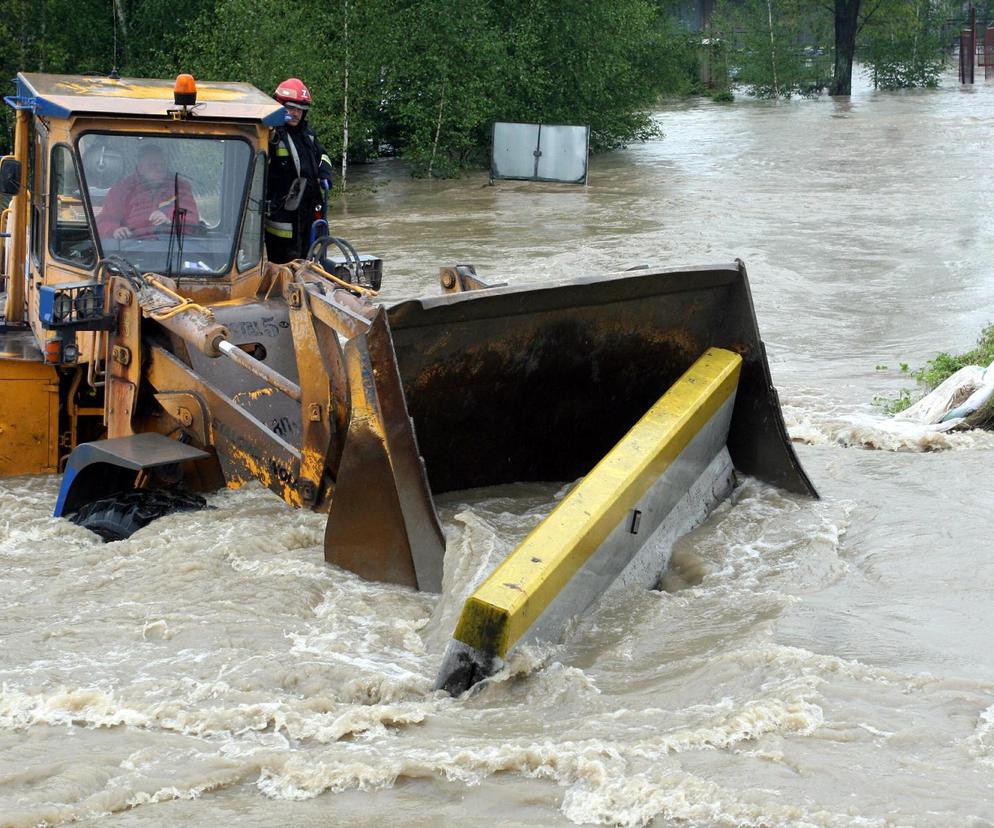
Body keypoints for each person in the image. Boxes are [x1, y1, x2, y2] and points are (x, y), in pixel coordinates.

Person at [266, 78, 334, 263]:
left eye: (300, 109)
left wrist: (324, 174)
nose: (295, 113)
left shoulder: (308, 135)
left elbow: (323, 157)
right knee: (284, 266)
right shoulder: (272, 135)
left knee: (309, 261)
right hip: (284, 217)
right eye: (290, 108)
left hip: (309, 213)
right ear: (279, 106)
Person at [96, 143, 199, 240]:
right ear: (140, 168)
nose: (159, 169)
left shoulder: (180, 187)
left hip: (172, 245)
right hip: (131, 247)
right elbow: (104, 221)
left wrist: (170, 219)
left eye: (162, 165)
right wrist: (115, 230)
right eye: (153, 165)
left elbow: (192, 219)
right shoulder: (121, 190)